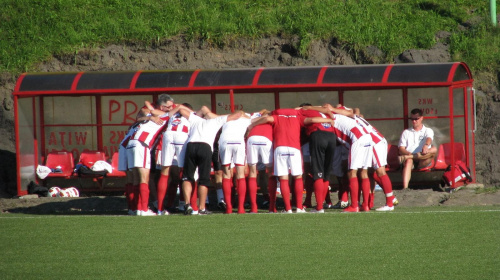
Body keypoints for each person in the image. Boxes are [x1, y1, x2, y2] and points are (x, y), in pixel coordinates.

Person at [178, 105, 245, 215]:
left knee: (187, 177)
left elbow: (181, 110)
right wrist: (215, 115)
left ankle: (187, 204)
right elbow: (237, 115)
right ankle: (202, 207)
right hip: (205, 147)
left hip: (191, 145)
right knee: (204, 179)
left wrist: (199, 112)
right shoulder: (217, 120)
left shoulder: (195, 119)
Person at [126, 94, 174, 216]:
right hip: (142, 144)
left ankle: (135, 208)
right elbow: (145, 111)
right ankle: (143, 209)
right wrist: (151, 115)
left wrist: (149, 115)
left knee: (135, 178)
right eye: (169, 107)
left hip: (130, 144)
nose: (171, 108)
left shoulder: (149, 114)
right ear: (162, 107)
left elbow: (141, 114)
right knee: (144, 178)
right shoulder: (161, 115)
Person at [156, 103, 193, 215]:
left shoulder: (171, 115)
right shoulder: (191, 114)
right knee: (183, 172)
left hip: (168, 136)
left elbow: (154, 112)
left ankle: (160, 208)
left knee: (165, 172)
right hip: (182, 135)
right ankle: (184, 204)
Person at [218, 112, 252, 214]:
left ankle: (228, 208)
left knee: (226, 174)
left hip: (224, 142)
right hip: (238, 142)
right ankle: (241, 208)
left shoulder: (225, 118)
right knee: (240, 174)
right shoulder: (247, 119)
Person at [398, 108, 438, 189]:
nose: (414, 121)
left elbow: (429, 138)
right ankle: (405, 188)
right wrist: (409, 154)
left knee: (433, 149)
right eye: (412, 119)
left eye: (416, 119)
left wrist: (426, 145)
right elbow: (401, 148)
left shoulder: (427, 130)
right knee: (409, 160)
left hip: (423, 158)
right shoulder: (406, 132)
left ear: (421, 118)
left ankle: (410, 157)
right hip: (410, 158)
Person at [246, 109, 274, 213]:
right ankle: (272, 206)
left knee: (253, 172)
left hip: (252, 139)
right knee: (270, 172)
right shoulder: (272, 119)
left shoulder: (254, 119)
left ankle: (254, 207)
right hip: (266, 139)